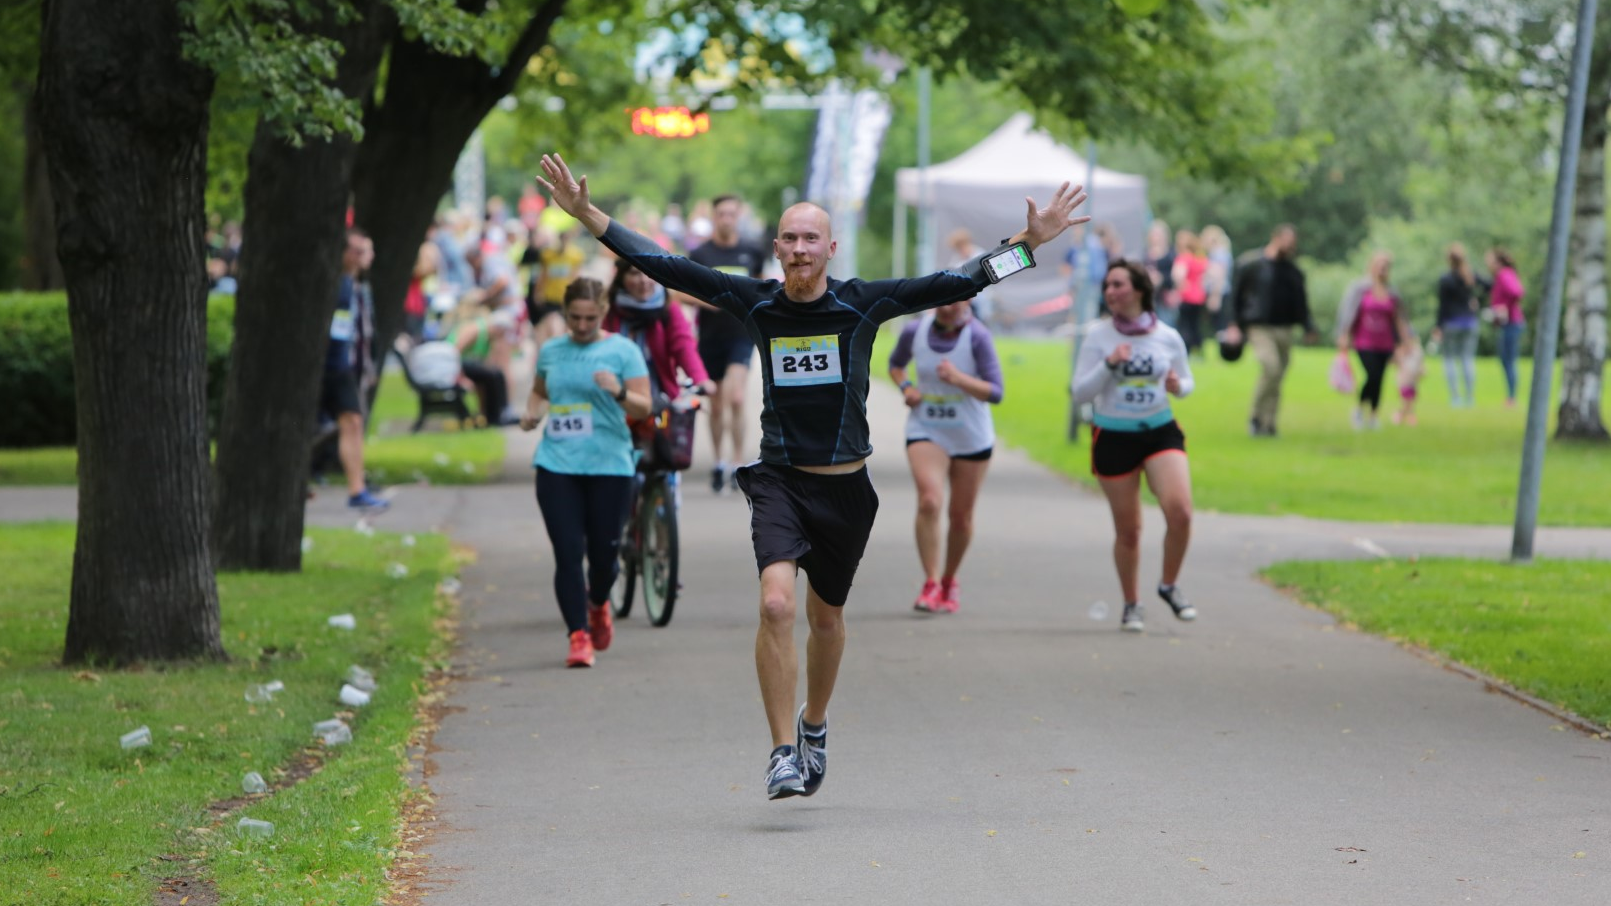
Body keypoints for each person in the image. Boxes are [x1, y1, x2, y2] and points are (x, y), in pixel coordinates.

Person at [536, 152, 1088, 800]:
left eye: (809, 238)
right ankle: (778, 753)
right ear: (775, 249)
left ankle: (814, 725)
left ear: (829, 247)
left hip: (845, 490)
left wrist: (1026, 246)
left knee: (825, 620)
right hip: (779, 481)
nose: (798, 249)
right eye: (788, 238)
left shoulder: (862, 305)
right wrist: (589, 217)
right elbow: (666, 265)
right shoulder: (758, 305)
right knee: (775, 604)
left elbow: (957, 281)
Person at [518, 278, 652, 668]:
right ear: (564, 314)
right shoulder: (552, 351)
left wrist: (619, 393)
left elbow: (645, 407)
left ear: (604, 313)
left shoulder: (623, 351)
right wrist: (532, 412)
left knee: (605, 556)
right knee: (568, 553)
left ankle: (598, 604)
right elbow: (540, 391)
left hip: (609, 464)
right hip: (556, 463)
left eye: (589, 318)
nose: (580, 325)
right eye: (574, 317)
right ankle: (578, 635)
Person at [1071, 260, 1195, 633]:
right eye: (1107, 285)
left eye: (1119, 284)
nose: (1110, 291)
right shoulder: (1098, 336)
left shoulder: (1168, 336)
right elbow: (1080, 393)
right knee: (1129, 531)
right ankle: (1131, 604)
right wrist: (1109, 365)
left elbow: (1187, 381)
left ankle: (1169, 585)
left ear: (1139, 290)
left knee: (1181, 512)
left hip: (1159, 430)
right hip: (1113, 435)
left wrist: (1178, 386)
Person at [887, 296, 1004, 614]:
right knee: (929, 501)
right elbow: (895, 365)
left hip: (970, 436)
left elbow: (996, 392)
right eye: (942, 300)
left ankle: (950, 580)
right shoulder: (915, 331)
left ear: (967, 303)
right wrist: (907, 388)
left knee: (960, 517)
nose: (947, 307)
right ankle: (932, 582)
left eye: (955, 301)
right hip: (927, 429)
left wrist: (959, 379)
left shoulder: (977, 336)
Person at [686, 194, 768, 493]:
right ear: (713, 215)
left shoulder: (751, 251)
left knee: (736, 398)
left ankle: (737, 461)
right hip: (709, 338)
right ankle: (719, 460)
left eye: (732, 214)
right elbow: (679, 292)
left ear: (739, 216)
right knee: (717, 405)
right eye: (721, 214)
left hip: (740, 335)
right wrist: (712, 303)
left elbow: (761, 288)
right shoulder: (701, 254)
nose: (726, 219)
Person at [1227, 224, 1318, 437]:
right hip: (1259, 326)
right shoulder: (1251, 264)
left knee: (1277, 376)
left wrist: (1308, 326)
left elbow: (1301, 302)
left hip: (1284, 328)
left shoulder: (1293, 272)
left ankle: (1269, 423)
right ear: (1275, 238)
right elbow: (1235, 296)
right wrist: (1233, 324)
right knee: (1271, 368)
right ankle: (1256, 416)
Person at [322, 228, 388, 512]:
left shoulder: (355, 285)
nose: (364, 256)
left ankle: (357, 485)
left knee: (353, 422)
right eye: (358, 250)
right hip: (336, 366)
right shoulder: (341, 286)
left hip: (346, 367)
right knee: (350, 422)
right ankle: (356, 488)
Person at [1335, 251, 1409, 430]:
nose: (1382, 268)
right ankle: (1359, 410)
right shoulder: (1359, 289)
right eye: (1379, 264)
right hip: (1364, 341)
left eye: (1386, 265)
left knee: (1380, 379)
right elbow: (1347, 312)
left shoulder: (1392, 293)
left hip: (1385, 342)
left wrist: (1405, 342)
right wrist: (1343, 334)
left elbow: (1399, 319)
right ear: (1371, 265)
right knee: (1372, 375)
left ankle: (1374, 415)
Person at [1433, 243, 1481, 407]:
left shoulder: (1446, 279)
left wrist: (1438, 326)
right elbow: (1490, 285)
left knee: (1450, 360)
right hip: (1470, 322)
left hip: (1451, 323)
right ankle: (1469, 397)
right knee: (1468, 359)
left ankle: (1455, 397)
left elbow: (1443, 306)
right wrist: (1477, 302)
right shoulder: (1470, 275)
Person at [1485, 247, 1526, 406]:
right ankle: (1510, 396)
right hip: (1508, 322)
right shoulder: (1503, 274)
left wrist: (1504, 308)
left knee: (1508, 360)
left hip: (1512, 322)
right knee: (1506, 359)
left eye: (1489, 260)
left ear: (1497, 261)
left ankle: (1511, 397)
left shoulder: (1504, 274)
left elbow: (1517, 292)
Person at [1170, 230, 1210, 354]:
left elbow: (1178, 275)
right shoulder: (1199, 258)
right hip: (1199, 296)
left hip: (1186, 296)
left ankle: (1186, 349)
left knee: (1185, 324)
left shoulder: (1183, 258)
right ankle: (1198, 349)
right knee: (1196, 324)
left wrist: (1179, 288)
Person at [1393, 331, 1426, 426]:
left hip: (1414, 381)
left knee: (1412, 400)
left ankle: (1401, 415)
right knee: (1406, 400)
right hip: (1403, 381)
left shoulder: (1417, 352)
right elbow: (1396, 363)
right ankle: (1407, 416)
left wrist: (1422, 371)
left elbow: (1420, 364)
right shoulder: (1401, 352)